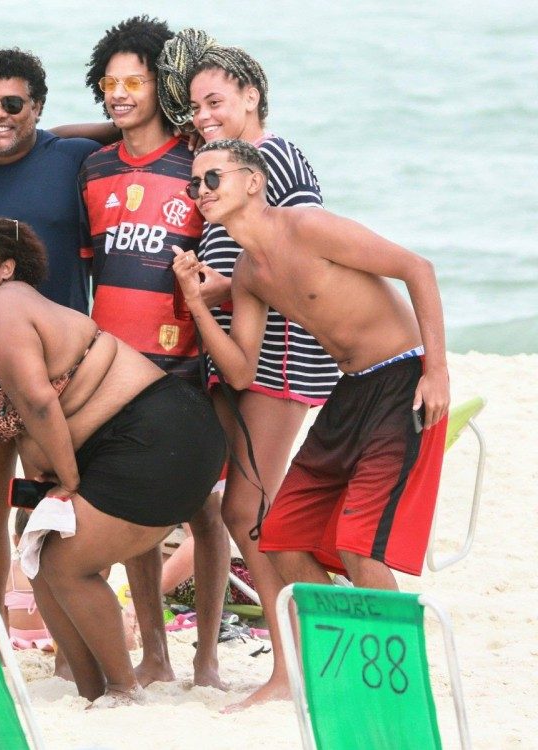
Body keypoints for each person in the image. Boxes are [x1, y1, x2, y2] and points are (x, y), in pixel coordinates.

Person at [0, 213, 226, 705]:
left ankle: (123, 689)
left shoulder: (1, 306)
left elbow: (37, 402)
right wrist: (39, 496)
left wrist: (68, 484)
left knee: (66, 563)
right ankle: (92, 687)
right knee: (36, 554)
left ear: (8, 268)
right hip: (144, 437)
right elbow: (28, 424)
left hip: (156, 437)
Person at [171, 139, 448, 618]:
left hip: (403, 378)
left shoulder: (307, 227)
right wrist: (197, 304)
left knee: (359, 545)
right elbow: (239, 371)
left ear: (253, 181)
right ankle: (344, 643)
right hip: (353, 387)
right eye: (194, 183)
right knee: (282, 537)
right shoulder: (247, 273)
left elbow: (416, 268)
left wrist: (437, 370)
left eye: (212, 178)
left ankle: (393, 675)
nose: (201, 191)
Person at [157, 31, 342, 709]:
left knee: (247, 507)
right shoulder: (228, 164)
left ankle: (291, 666)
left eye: (217, 100)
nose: (204, 113)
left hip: (283, 351)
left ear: (251, 96)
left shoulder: (275, 157)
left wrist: (215, 290)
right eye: (196, 106)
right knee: (254, 506)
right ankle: (317, 637)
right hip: (243, 354)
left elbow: (293, 253)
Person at [78, 15, 230, 690]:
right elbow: (92, 264)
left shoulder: (195, 164)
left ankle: (205, 659)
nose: (119, 92)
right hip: (112, 370)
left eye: (134, 79)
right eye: (109, 82)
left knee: (205, 510)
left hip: (184, 368)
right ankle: (157, 655)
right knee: (131, 507)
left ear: (159, 83)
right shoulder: (95, 166)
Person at [0, 48, 102, 614]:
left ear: (38, 107)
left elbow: (139, 127)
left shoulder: (75, 158)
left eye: (13, 103)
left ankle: (64, 639)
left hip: (59, 370)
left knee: (51, 502)